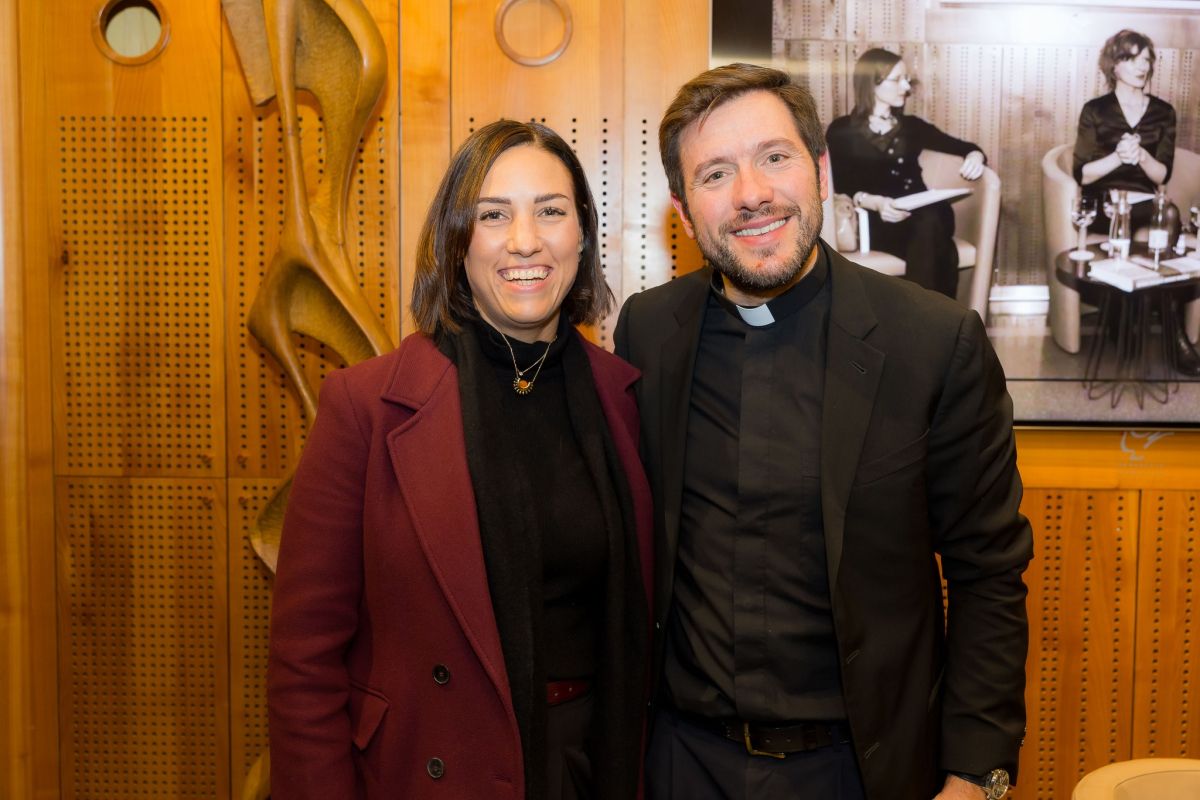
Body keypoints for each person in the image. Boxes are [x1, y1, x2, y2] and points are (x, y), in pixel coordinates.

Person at [614, 63, 1032, 800]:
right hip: (682, 762)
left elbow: (988, 573)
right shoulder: (648, 332)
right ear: (683, 210)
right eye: (716, 174)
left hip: (858, 768)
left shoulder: (932, 343)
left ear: (821, 170)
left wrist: (975, 775)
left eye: (774, 157)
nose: (751, 194)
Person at [268, 120, 653, 800]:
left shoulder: (623, 397)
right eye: (493, 215)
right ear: (456, 241)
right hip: (431, 767)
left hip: (589, 763)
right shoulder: (366, 407)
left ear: (583, 236)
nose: (525, 240)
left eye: (551, 211)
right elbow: (305, 658)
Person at [825, 48, 987, 299]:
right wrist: (876, 203)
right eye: (898, 80)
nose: (906, 87)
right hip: (879, 219)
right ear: (873, 83)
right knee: (939, 246)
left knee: (929, 223)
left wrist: (975, 155)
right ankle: (939, 318)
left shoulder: (912, 127)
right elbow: (841, 182)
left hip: (928, 212)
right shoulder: (841, 130)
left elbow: (963, 147)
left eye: (907, 80)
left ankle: (919, 319)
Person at [1073, 29, 1178, 235]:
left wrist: (1141, 155)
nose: (1142, 67)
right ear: (1114, 66)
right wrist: (1119, 157)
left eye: (1146, 60)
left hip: (1144, 203)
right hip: (1103, 203)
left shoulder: (1164, 112)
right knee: (1129, 227)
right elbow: (1082, 175)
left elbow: (1162, 177)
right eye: (1132, 59)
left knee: (1169, 214)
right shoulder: (1094, 110)